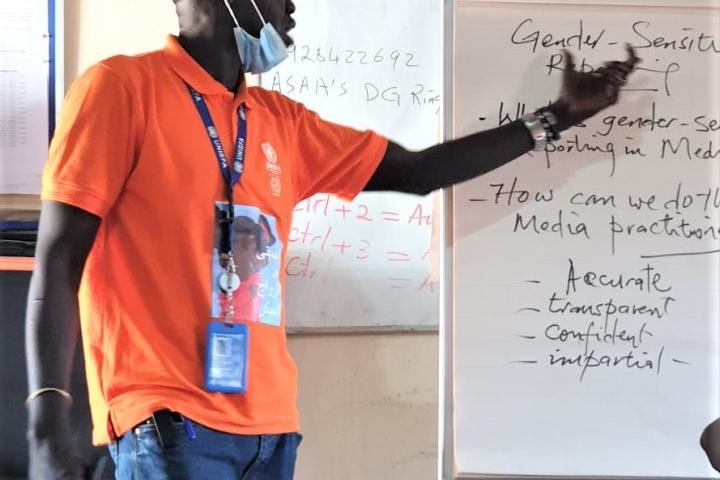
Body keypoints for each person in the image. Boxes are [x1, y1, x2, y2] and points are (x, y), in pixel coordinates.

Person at [24, 0, 639, 478]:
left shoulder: (280, 121)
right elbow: (58, 258)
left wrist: (555, 119)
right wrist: (47, 423)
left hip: (270, 431)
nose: (292, 8)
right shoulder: (120, 88)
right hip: (168, 423)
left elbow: (417, 172)